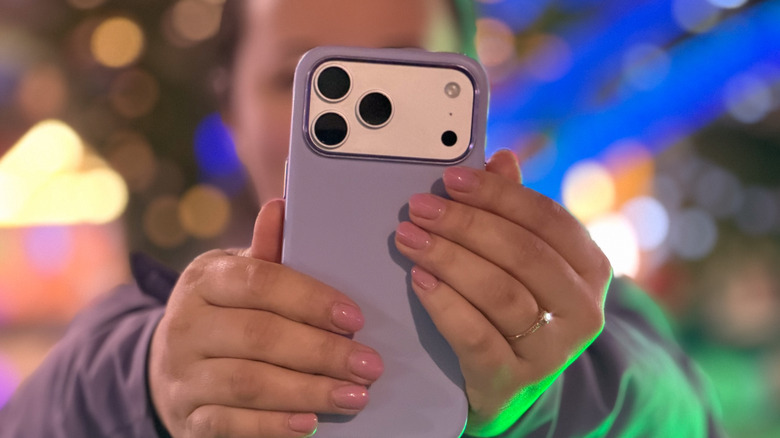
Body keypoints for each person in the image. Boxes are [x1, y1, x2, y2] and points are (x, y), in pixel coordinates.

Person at [0, 0, 725, 437]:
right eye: (302, 76)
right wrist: (152, 388)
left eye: (406, 68)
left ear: (472, 94)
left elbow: (682, 415)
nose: (359, 119)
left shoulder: (581, 313)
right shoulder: (148, 319)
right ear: (230, 110)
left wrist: (555, 401)